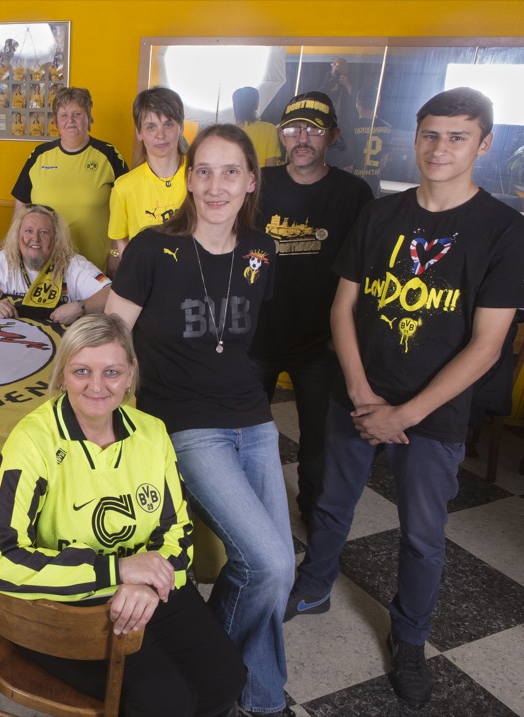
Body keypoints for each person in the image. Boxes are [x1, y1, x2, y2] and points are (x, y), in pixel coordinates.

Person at [285, 88, 524, 708]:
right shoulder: (380, 215)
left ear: (484, 143)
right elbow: (343, 307)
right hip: (358, 395)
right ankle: (312, 588)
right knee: (333, 506)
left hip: (435, 414)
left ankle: (411, 638)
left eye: (457, 137)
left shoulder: (503, 230)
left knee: (423, 534)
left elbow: (488, 345)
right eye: (430, 134)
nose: (440, 148)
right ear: (415, 138)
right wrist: (364, 394)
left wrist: (406, 414)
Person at [106, 125, 295, 716]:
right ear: (189, 179)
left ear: (250, 182)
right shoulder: (150, 247)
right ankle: (225, 675)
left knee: (277, 571)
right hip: (183, 423)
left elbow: (247, 340)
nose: (216, 185)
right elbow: (111, 337)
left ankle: (254, 694)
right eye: (205, 171)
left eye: (230, 171)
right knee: (267, 562)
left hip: (254, 419)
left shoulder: (262, 252)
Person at [0, 314, 245, 717]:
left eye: (112, 371)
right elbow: (0, 558)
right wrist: (116, 571)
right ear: (63, 373)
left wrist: (148, 585)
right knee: (168, 702)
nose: (97, 386)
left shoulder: (151, 432)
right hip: (66, 603)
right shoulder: (32, 441)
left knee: (226, 679)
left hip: (147, 585)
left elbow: (178, 531)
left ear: (131, 373)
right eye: (82, 371)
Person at [251, 91, 373, 525]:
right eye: (292, 128)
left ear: (332, 136)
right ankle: (246, 505)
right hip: (257, 335)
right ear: (281, 135)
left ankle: (314, 512)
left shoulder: (354, 193)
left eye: (313, 130)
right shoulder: (259, 184)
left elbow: (364, 270)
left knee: (319, 438)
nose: (301, 138)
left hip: (321, 341)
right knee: (244, 430)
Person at [12, 87, 128, 272]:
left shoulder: (108, 154)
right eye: (64, 115)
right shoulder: (39, 155)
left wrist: (116, 252)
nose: (70, 121)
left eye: (77, 114)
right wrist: (17, 249)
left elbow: (126, 208)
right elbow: (21, 206)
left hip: (95, 266)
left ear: (89, 118)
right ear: (56, 121)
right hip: (45, 267)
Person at [0, 203, 110, 325]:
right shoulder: (5, 259)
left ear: (56, 238)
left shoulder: (73, 264)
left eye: (44, 232)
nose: (35, 239)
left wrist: (79, 307)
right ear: (18, 235)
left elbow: (111, 293)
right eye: (28, 231)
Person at [107, 87, 188, 276]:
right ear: (139, 132)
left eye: (168, 125)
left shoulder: (199, 177)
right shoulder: (124, 187)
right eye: (151, 127)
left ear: (181, 127)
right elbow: (122, 241)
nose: (160, 135)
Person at [342, 85, 392, 196]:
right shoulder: (387, 128)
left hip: (353, 186)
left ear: (358, 102)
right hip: (373, 185)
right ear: (378, 102)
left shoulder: (349, 128)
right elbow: (383, 163)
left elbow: (347, 166)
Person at [232, 86, 280, 167]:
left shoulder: (229, 132)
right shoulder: (269, 129)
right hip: (261, 179)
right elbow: (271, 167)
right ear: (256, 104)